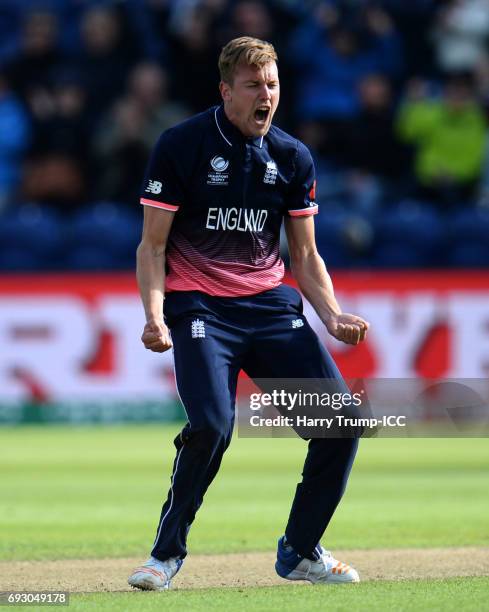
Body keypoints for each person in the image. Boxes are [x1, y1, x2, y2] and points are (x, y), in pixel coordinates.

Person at [128, 36, 369, 592]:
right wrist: (155, 314)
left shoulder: (291, 156)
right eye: (255, 85)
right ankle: (165, 556)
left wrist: (331, 315)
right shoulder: (182, 144)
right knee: (212, 425)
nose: (267, 96)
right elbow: (152, 247)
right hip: (199, 306)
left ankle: (301, 551)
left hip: (267, 306)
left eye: (273, 85)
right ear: (226, 91)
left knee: (340, 426)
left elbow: (305, 255)